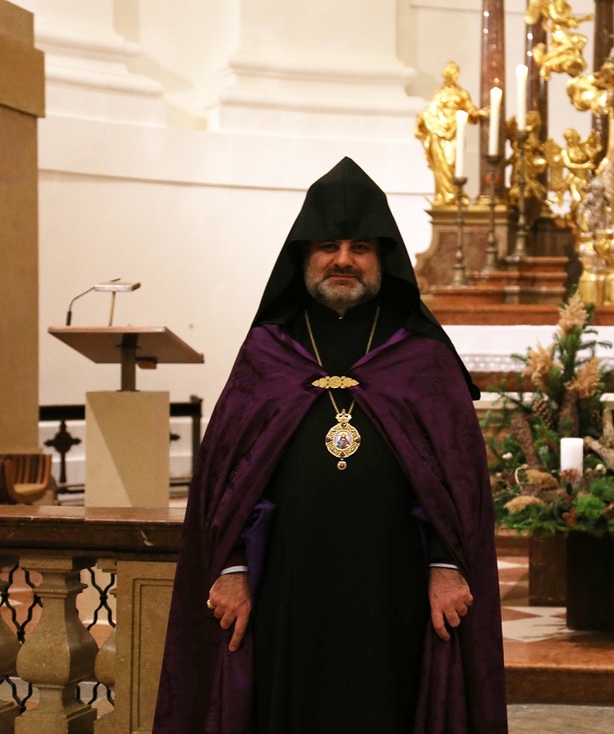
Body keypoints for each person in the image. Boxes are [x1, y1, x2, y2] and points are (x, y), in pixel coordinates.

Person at [154, 157, 508, 733]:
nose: (343, 260)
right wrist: (233, 567)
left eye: (360, 247)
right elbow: (228, 481)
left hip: (395, 583)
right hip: (285, 583)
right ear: (303, 255)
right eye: (328, 246)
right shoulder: (267, 352)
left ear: (382, 258)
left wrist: (447, 566)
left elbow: (457, 483)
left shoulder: (421, 355)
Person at [415, 62, 483, 205]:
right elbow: (431, 111)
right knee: (441, 166)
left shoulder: (462, 93)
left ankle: (454, 193)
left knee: (452, 161)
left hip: (454, 132)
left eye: (454, 73)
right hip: (438, 134)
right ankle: (443, 196)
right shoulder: (439, 93)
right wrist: (421, 120)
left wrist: (479, 113)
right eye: (449, 73)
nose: (452, 76)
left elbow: (470, 110)